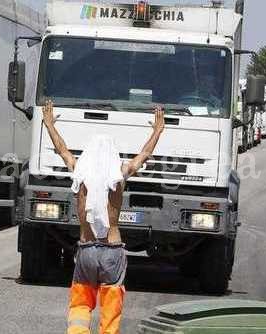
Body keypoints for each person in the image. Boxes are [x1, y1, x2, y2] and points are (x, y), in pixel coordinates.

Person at [41, 101, 165, 334]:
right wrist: (157, 130)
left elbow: (62, 149)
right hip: (112, 250)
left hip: (87, 250)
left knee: (80, 304)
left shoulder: (79, 169)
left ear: (88, 155)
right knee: (110, 312)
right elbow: (145, 154)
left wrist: (49, 125)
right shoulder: (119, 174)